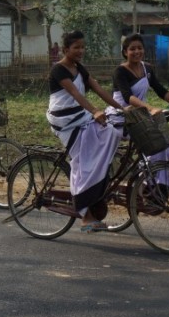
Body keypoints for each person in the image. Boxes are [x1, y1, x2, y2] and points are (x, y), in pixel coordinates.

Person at [47, 30, 124, 232]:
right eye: (76, 47)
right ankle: (84, 214)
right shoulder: (59, 70)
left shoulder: (80, 68)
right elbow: (74, 93)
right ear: (66, 50)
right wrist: (95, 111)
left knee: (113, 133)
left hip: (80, 116)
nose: (81, 50)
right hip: (64, 119)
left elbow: (99, 90)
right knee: (83, 160)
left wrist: (123, 109)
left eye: (82, 46)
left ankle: (94, 188)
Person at [112, 33, 169, 169]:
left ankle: (158, 181)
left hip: (141, 115)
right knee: (154, 141)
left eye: (140, 48)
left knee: (164, 144)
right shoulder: (120, 71)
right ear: (125, 52)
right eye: (132, 49)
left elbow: (160, 90)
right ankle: (147, 177)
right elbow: (128, 97)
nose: (137, 51)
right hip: (122, 115)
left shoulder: (147, 68)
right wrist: (150, 108)